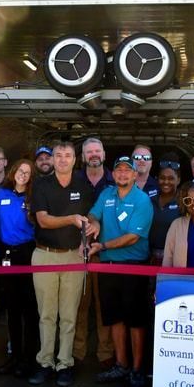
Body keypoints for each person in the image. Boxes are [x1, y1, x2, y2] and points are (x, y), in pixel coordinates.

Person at [29, 140, 93, 387]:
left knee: (68, 314)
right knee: (46, 314)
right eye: (58, 155)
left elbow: (93, 216)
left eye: (68, 155)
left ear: (75, 159)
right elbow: (43, 221)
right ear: (53, 159)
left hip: (73, 256)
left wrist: (89, 232)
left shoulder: (83, 185)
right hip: (44, 254)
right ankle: (44, 361)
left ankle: (64, 363)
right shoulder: (42, 184)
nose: (63, 159)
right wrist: (72, 219)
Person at [88, 156, 154, 387]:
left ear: (136, 175)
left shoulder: (142, 200)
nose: (123, 174)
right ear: (113, 174)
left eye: (128, 170)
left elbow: (133, 237)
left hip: (133, 266)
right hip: (108, 267)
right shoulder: (106, 194)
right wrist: (94, 223)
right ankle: (121, 364)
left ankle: (137, 369)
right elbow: (93, 214)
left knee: (135, 320)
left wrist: (103, 246)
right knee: (114, 317)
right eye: (119, 170)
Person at [0, 159, 39, 378]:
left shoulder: (33, 198)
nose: (23, 175)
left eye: (27, 172)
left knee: (29, 308)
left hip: (28, 253)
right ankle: (15, 356)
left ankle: (30, 358)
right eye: (20, 170)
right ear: (13, 172)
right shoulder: (0, 194)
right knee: (11, 308)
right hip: (6, 254)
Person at [73, 138, 114, 367]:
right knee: (78, 305)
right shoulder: (73, 180)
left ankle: (105, 354)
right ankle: (77, 353)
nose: (94, 155)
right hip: (78, 252)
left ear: (104, 154)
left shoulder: (115, 180)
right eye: (89, 152)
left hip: (106, 252)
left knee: (104, 305)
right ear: (83, 157)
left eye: (97, 150)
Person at [149, 158, 182, 264]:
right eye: (162, 178)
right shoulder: (149, 199)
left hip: (174, 258)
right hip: (149, 257)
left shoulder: (183, 202)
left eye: (171, 178)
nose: (166, 182)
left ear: (178, 180)